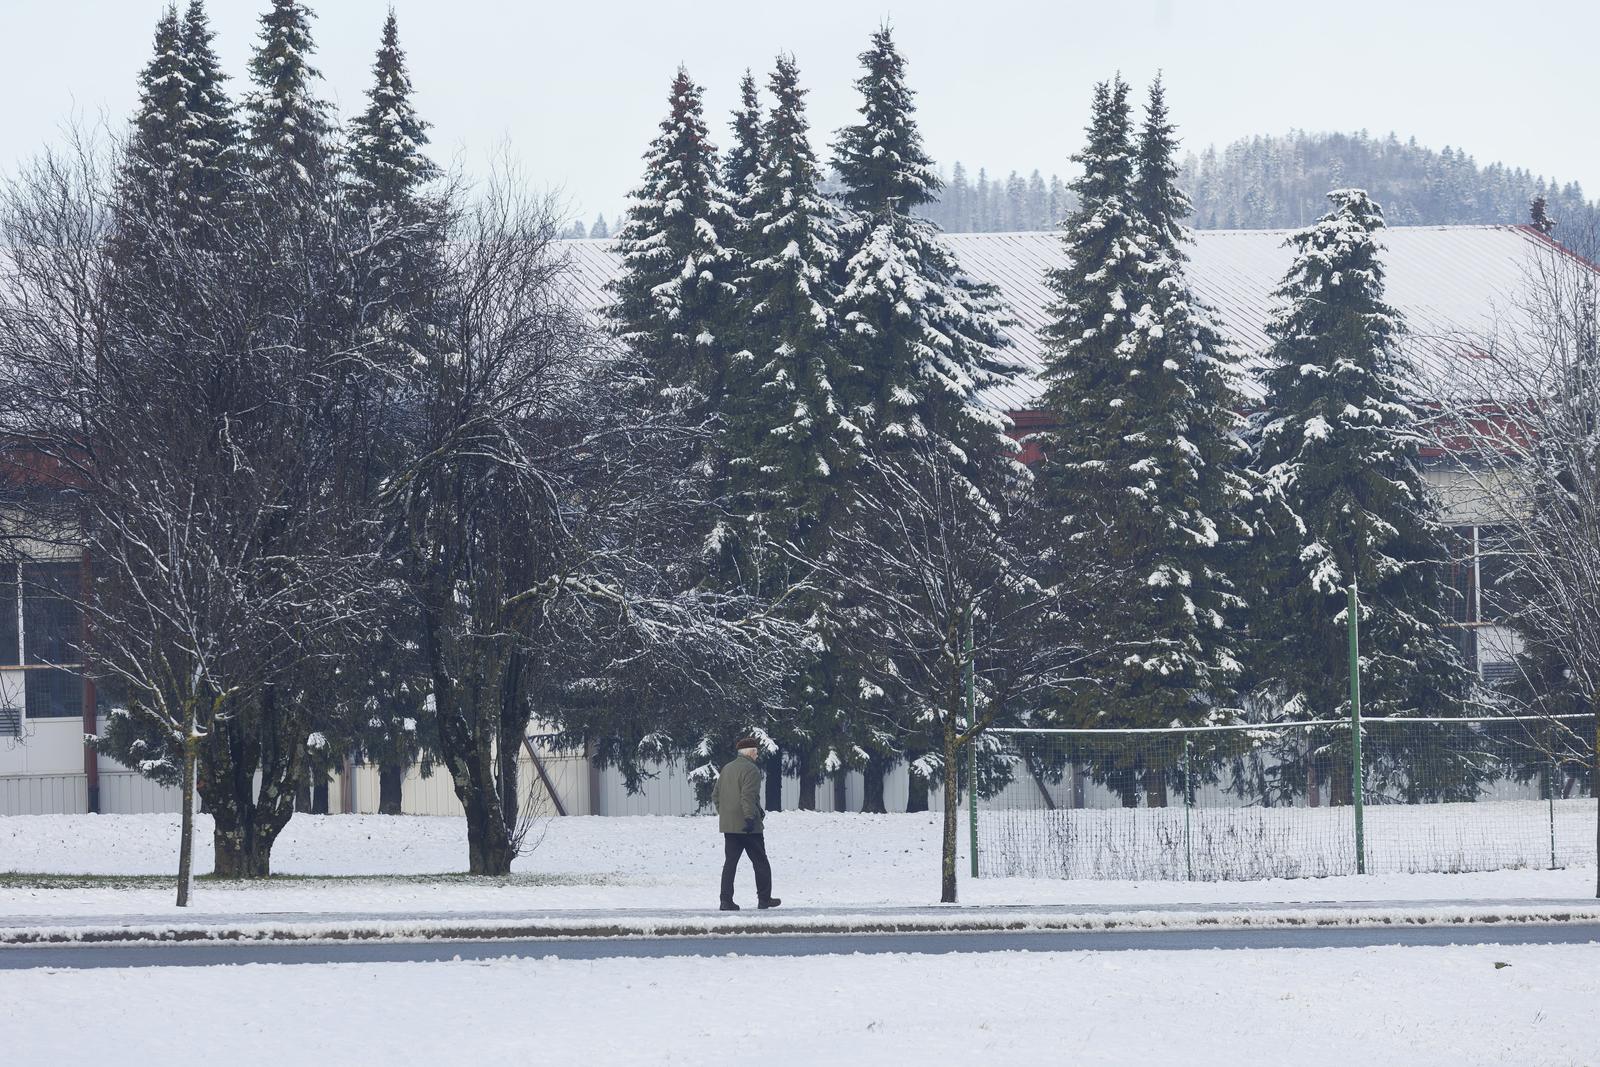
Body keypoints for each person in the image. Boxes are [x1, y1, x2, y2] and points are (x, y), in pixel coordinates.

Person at [714, 737, 780, 911]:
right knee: (760, 862)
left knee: (730, 863)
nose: (757, 756)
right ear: (750, 752)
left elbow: (715, 795)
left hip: (730, 826)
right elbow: (748, 796)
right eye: (756, 752)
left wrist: (726, 814)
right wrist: (750, 818)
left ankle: (725, 900)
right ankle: (764, 899)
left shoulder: (726, 768)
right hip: (749, 826)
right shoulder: (751, 770)